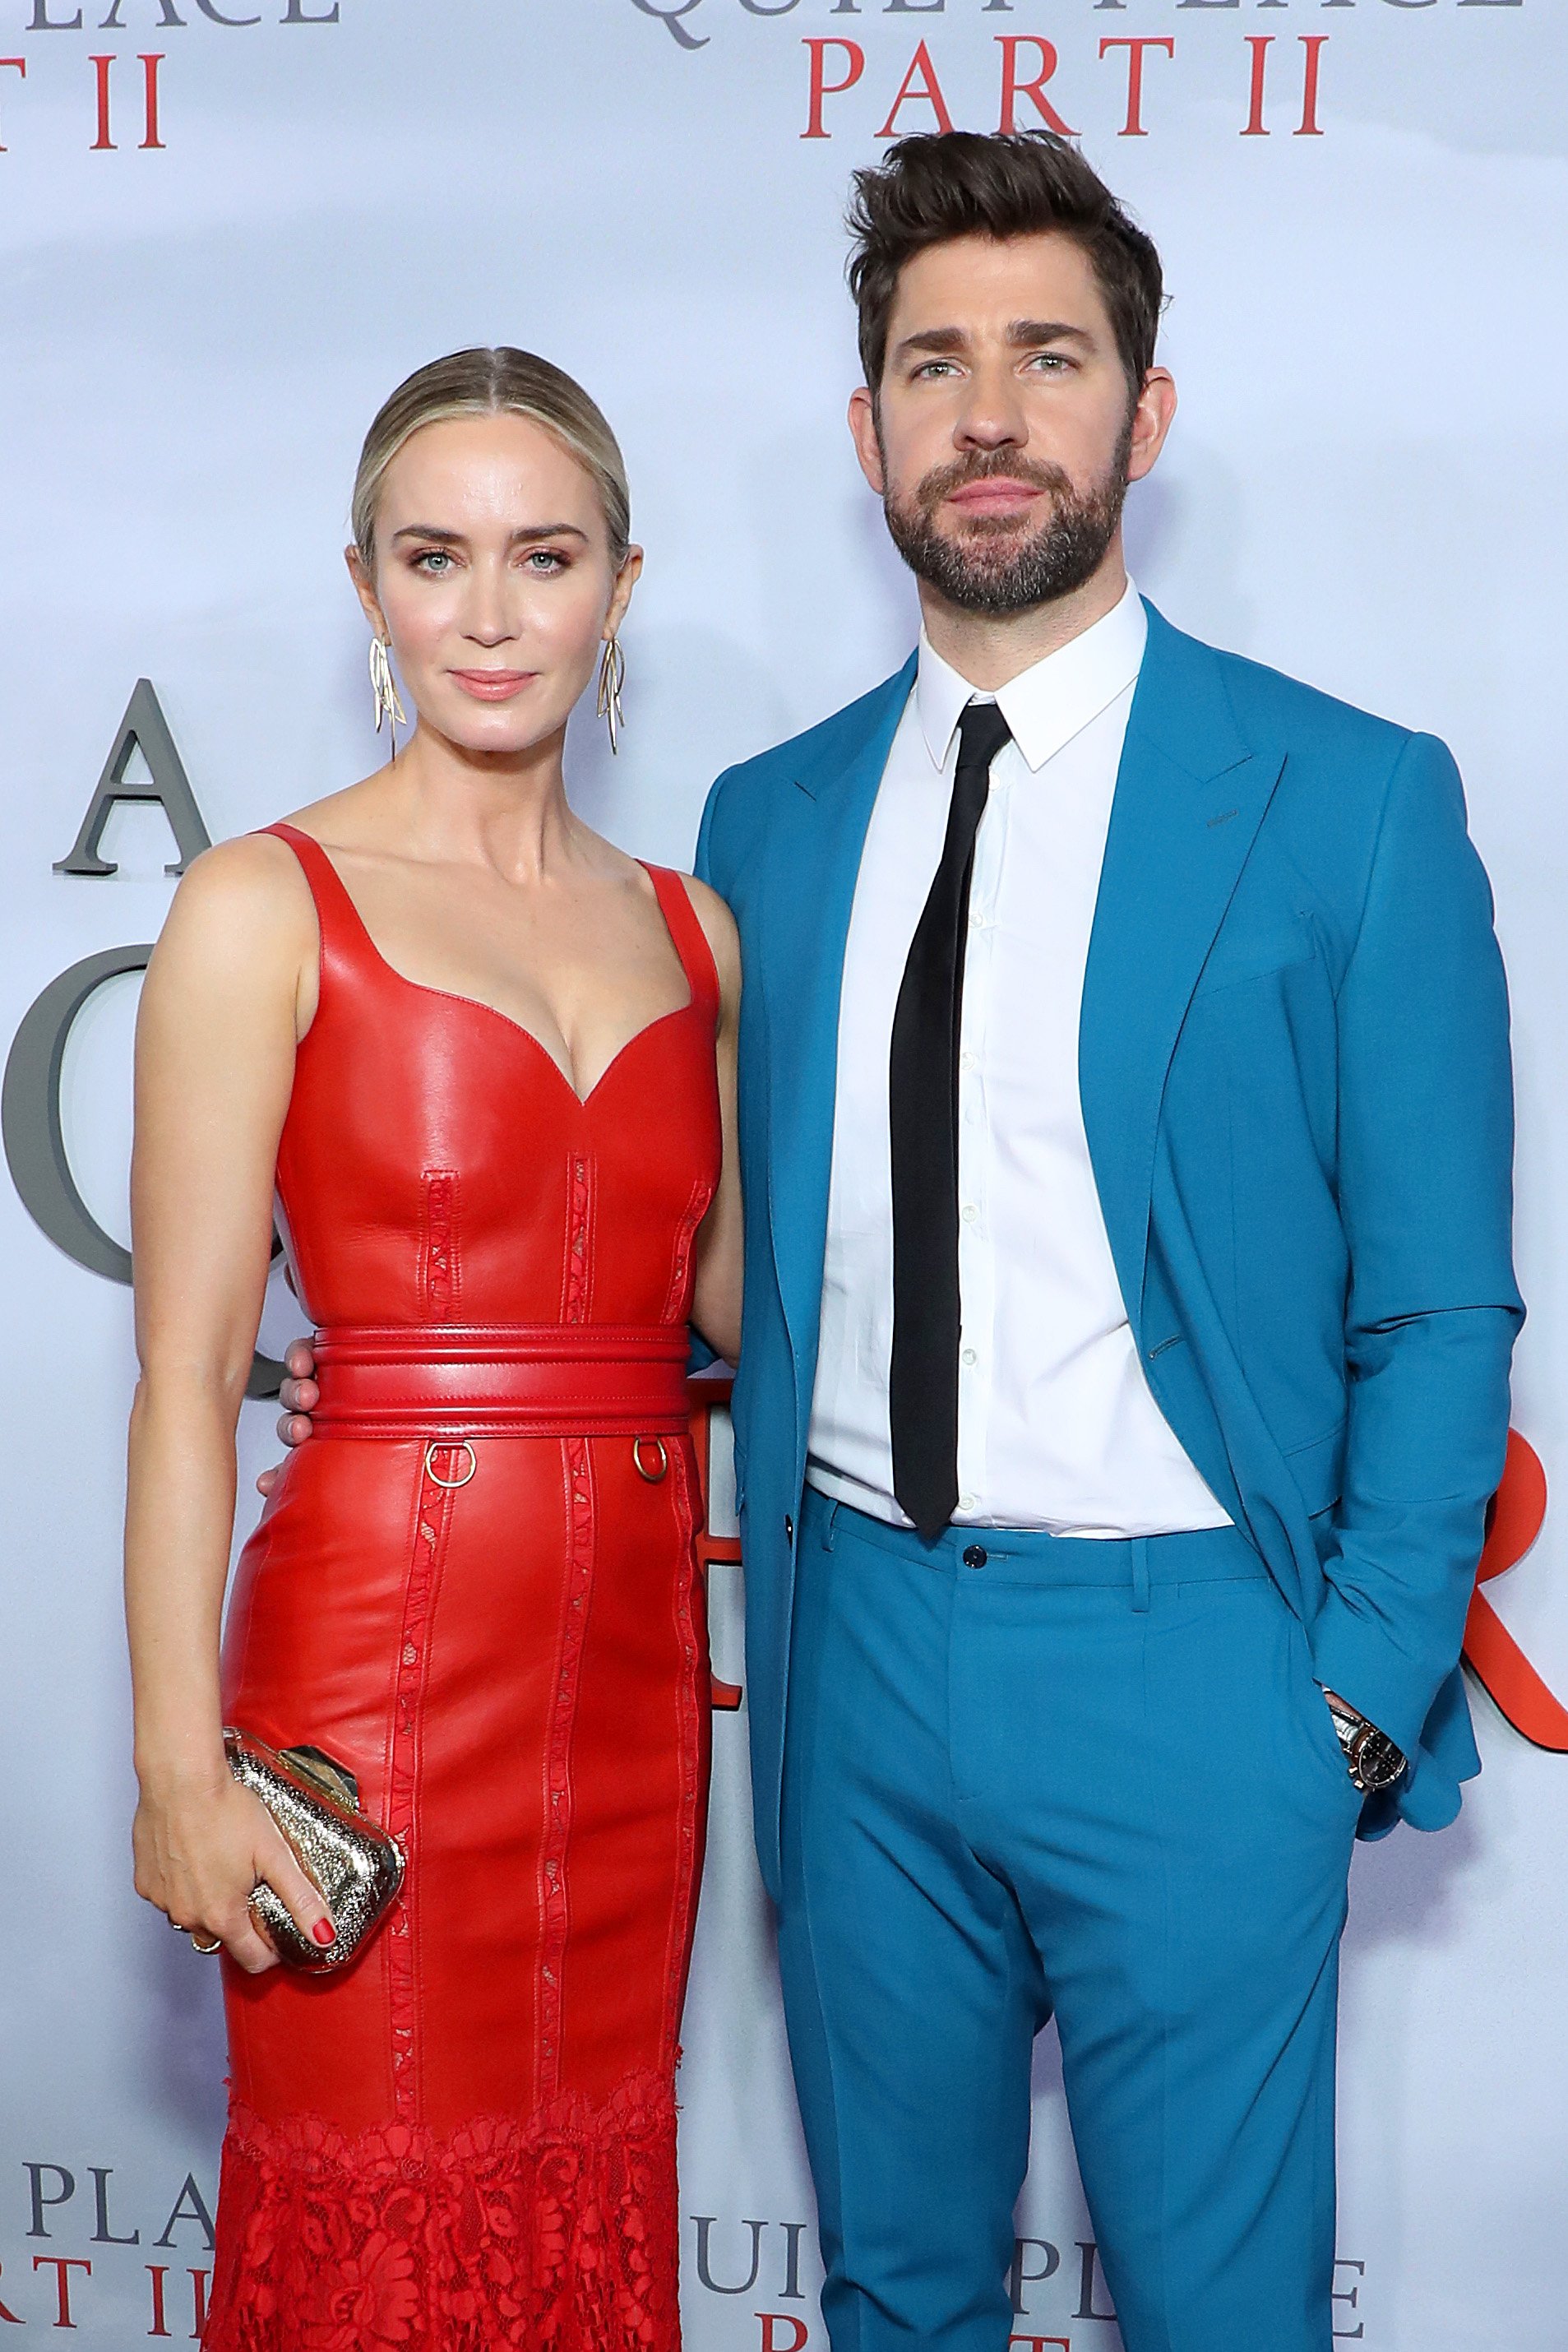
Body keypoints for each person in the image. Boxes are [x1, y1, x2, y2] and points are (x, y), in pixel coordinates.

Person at [275, 132, 1521, 2352]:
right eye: (931, 364)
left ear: (1142, 411)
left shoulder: (1346, 796)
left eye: (1047, 357)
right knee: (889, 2299)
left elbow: (1435, 1299)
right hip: (853, 1668)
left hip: (1192, 1665)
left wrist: (1337, 1700)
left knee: (1227, 2316)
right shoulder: (770, 816)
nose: (986, 413)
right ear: (865, 433)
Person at [125, 346, 742, 2352]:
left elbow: (736, 1311)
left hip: (631, 1690)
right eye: (436, 557)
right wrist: (175, 1764)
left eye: (543, 556)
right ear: (368, 588)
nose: (491, 613)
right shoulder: (258, 900)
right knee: (377, 2228)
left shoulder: (694, 928)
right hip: (365, 1687)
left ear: (619, 588)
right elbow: (192, 1366)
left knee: (583, 2193)